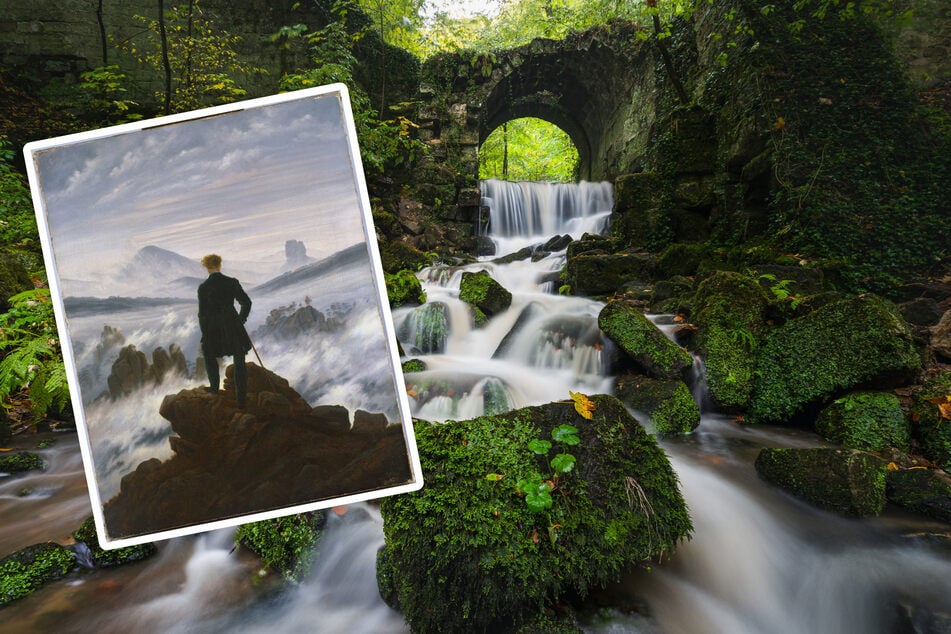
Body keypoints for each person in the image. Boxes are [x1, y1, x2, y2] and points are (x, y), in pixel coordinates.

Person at [197, 254, 252, 408]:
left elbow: (202, 314)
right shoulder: (231, 282)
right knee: (239, 361)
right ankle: (241, 400)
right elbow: (246, 303)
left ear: (206, 267)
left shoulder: (203, 287)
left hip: (213, 329)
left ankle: (214, 388)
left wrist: (204, 334)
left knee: (208, 354)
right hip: (233, 326)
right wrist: (241, 320)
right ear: (220, 265)